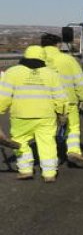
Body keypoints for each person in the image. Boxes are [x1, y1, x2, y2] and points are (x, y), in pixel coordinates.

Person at [0, 45, 68, 182]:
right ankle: (49, 173)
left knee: (19, 142)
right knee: (47, 142)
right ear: (43, 57)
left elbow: (4, 96)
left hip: (20, 116)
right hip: (46, 116)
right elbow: (60, 97)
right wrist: (62, 113)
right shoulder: (51, 74)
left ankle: (25, 170)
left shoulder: (12, 72)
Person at [41, 35, 83, 167]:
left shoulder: (36, 60)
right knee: (72, 127)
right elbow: (79, 81)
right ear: (58, 44)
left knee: (46, 131)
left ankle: (50, 158)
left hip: (44, 103)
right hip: (69, 102)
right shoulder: (68, 60)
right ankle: (73, 151)